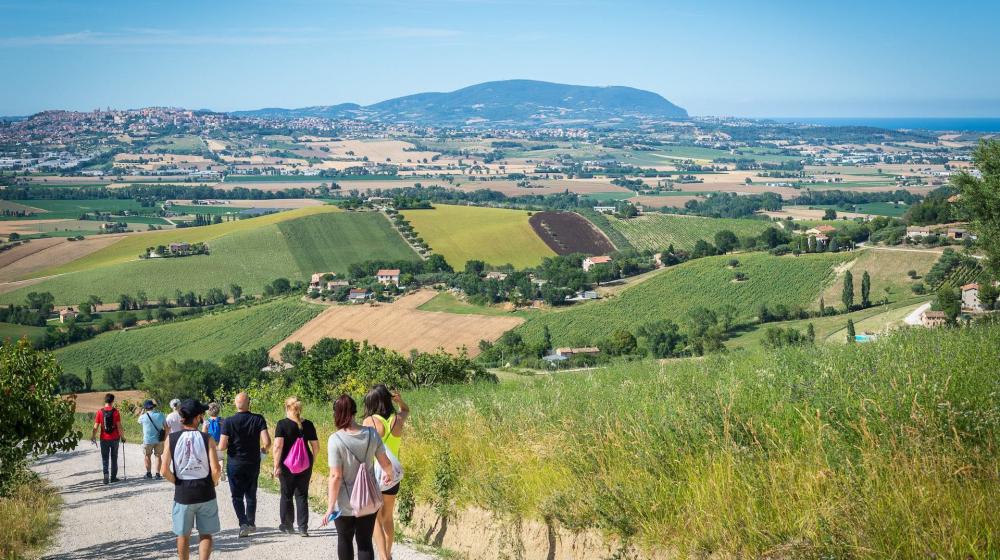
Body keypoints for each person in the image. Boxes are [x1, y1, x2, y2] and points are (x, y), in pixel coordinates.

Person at [321, 394, 394, 560]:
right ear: (355, 411)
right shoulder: (371, 434)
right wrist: (388, 475)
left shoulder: (335, 439)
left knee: (345, 539)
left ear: (336, 414)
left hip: (344, 502)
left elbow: (335, 476)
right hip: (368, 498)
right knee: (365, 542)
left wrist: (330, 506)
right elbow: (386, 463)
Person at [161, 399, 222, 560]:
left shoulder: (171, 439)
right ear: (196, 418)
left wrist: (177, 482)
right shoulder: (207, 438)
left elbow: (163, 470)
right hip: (205, 492)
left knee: (182, 535)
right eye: (201, 414)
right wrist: (213, 482)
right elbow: (216, 469)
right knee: (206, 534)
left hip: (183, 494)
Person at [362, 385, 410, 560]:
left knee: (374, 518)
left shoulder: (370, 421)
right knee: (388, 517)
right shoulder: (397, 419)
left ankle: (382, 555)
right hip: (393, 475)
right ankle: (388, 555)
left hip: (375, 473)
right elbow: (406, 410)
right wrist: (400, 401)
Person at [218, 392, 271, 538]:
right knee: (251, 494)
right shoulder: (258, 419)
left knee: (236, 496)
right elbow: (267, 442)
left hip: (235, 463)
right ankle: (251, 522)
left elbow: (222, 446)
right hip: (253, 462)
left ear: (236, 404)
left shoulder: (228, 421)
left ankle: (243, 524)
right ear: (249, 403)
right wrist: (263, 451)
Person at [272, 397, 319, 536]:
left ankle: (287, 525)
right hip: (305, 465)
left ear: (287, 408)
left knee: (286, 494)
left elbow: (278, 446)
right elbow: (316, 447)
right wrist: (312, 462)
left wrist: (276, 465)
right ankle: (303, 528)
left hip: (287, 465)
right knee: (302, 495)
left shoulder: (282, 424)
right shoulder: (309, 424)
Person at [90, 393, 125, 484]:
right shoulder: (115, 412)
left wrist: (93, 436)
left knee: (105, 458)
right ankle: (113, 477)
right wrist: (123, 437)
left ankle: (106, 475)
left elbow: (96, 426)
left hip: (104, 439)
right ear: (112, 401)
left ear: (105, 400)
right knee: (114, 458)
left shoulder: (100, 412)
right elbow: (119, 426)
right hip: (115, 438)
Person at [138, 399, 169, 480]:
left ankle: (148, 473)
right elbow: (166, 427)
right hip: (159, 439)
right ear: (153, 407)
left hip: (147, 440)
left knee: (147, 456)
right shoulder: (161, 415)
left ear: (145, 408)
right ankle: (157, 474)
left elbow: (138, 421)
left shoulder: (143, 417)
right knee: (158, 456)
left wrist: (142, 412)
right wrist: (165, 438)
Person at [201, 403, 225, 481]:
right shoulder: (222, 420)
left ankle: (213, 473)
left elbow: (204, 433)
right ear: (218, 411)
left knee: (211, 458)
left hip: (210, 442)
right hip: (220, 441)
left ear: (208, 412)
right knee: (220, 458)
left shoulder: (206, 422)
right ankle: (221, 471)